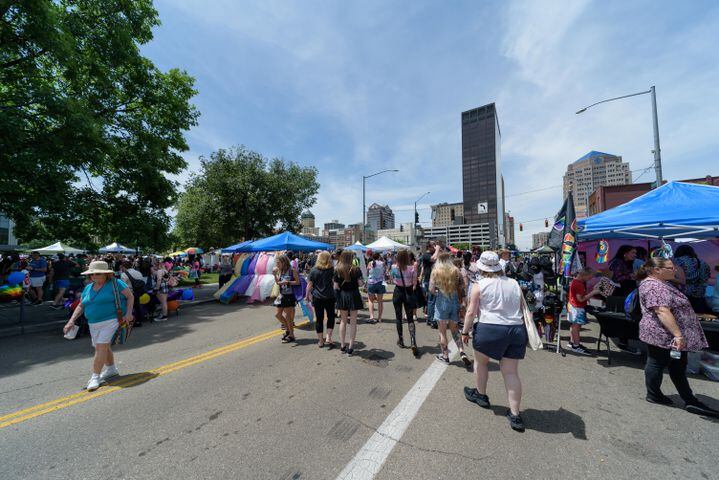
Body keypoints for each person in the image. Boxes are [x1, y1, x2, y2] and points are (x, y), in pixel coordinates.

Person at [636, 257, 718, 417]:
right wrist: (678, 335)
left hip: (666, 333)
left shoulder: (659, 283)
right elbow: (662, 311)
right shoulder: (654, 286)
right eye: (670, 268)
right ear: (656, 270)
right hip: (663, 334)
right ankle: (655, 394)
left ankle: (688, 398)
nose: (674, 270)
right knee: (657, 363)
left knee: (677, 365)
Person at [462, 251, 527, 432]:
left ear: (481, 267)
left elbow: (470, 312)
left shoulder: (479, 285)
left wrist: (465, 332)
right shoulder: (514, 283)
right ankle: (515, 414)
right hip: (515, 329)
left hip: (489, 329)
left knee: (481, 363)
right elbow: (520, 308)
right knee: (511, 373)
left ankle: (481, 394)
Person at [63, 261, 134, 391]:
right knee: (103, 347)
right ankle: (111, 369)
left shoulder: (116, 283)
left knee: (100, 347)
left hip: (112, 320)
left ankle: (95, 377)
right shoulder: (88, 288)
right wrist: (71, 321)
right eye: (92, 274)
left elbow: (130, 297)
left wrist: (129, 313)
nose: (94, 276)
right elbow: (81, 305)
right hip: (93, 323)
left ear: (106, 274)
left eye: (98, 273)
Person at [431, 253, 470, 365]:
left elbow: (431, 289)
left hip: (441, 302)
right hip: (454, 302)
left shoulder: (436, 271)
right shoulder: (456, 270)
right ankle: (462, 351)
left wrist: (439, 290)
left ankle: (445, 356)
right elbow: (463, 285)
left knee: (442, 332)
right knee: (455, 329)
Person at [334, 250, 364, 356]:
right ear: (351, 258)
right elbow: (360, 284)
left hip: (342, 295)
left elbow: (335, 286)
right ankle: (351, 347)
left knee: (343, 321)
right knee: (353, 321)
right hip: (354, 295)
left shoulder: (337, 269)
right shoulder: (356, 269)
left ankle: (342, 346)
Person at [567, 268, 602, 355]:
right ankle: (576, 346)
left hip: (573, 306)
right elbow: (581, 299)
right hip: (577, 308)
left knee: (574, 326)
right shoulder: (579, 284)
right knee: (576, 327)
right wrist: (593, 293)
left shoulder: (575, 281)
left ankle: (572, 343)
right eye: (589, 277)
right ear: (584, 275)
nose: (590, 279)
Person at [391, 249, 419, 356]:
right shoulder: (412, 269)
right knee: (410, 317)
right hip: (408, 292)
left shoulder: (394, 267)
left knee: (398, 317)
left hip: (398, 291)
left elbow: (391, 279)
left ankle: (401, 340)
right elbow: (414, 282)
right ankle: (413, 340)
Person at [306, 251, 336, 349]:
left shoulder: (314, 270)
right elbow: (334, 284)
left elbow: (309, 285)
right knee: (331, 316)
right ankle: (328, 337)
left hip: (317, 297)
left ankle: (320, 341)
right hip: (330, 297)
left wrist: (307, 296)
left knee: (319, 319)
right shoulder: (332, 270)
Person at [673, 245, 711, 313]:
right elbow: (706, 278)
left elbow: (676, 277)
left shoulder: (678, 261)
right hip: (700, 295)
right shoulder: (703, 263)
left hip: (684, 295)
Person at [273, 254, 300, 343]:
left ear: (284, 262)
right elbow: (278, 283)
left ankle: (291, 335)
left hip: (290, 295)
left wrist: (288, 282)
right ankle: (288, 330)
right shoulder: (280, 271)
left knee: (288, 316)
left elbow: (297, 282)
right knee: (277, 314)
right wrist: (274, 275)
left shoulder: (292, 270)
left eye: (278, 262)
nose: (277, 264)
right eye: (276, 263)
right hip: (282, 295)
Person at [419, 242, 437, 327]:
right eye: (434, 245)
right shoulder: (426, 255)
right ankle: (430, 319)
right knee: (431, 300)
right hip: (429, 279)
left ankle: (432, 318)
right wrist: (437, 249)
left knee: (433, 300)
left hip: (434, 279)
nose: (435, 246)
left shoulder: (435, 253)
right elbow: (433, 259)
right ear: (429, 247)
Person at [366, 252, 386, 323]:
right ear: (379, 256)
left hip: (371, 282)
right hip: (380, 282)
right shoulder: (383, 263)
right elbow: (385, 272)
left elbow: (367, 273)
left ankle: (371, 316)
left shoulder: (370, 263)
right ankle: (379, 318)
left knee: (370, 300)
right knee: (380, 301)